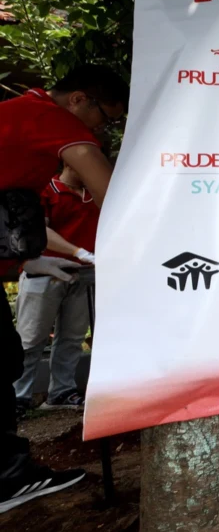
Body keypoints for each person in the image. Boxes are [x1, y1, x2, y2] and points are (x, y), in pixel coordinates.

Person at [0, 63, 126, 513]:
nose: (102, 130)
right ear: (79, 100)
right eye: (106, 118)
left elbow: (16, 217)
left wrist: (40, 256)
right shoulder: (52, 119)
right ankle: (8, 478)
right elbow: (115, 195)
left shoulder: (18, 116)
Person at [13, 166, 99, 414]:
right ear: (70, 163)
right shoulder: (47, 190)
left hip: (84, 273)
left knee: (72, 337)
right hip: (43, 272)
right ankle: (19, 397)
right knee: (30, 338)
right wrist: (78, 251)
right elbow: (39, 230)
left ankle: (62, 390)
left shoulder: (94, 193)